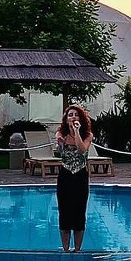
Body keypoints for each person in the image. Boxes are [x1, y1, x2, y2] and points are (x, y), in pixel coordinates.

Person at [54, 105, 93, 252]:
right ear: (66, 119)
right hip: (65, 176)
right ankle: (65, 249)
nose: (73, 117)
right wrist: (61, 139)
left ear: (81, 118)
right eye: (70, 115)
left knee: (79, 212)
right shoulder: (61, 134)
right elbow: (61, 151)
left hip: (80, 176)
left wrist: (76, 131)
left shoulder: (87, 135)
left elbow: (82, 150)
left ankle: (77, 249)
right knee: (64, 212)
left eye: (76, 114)